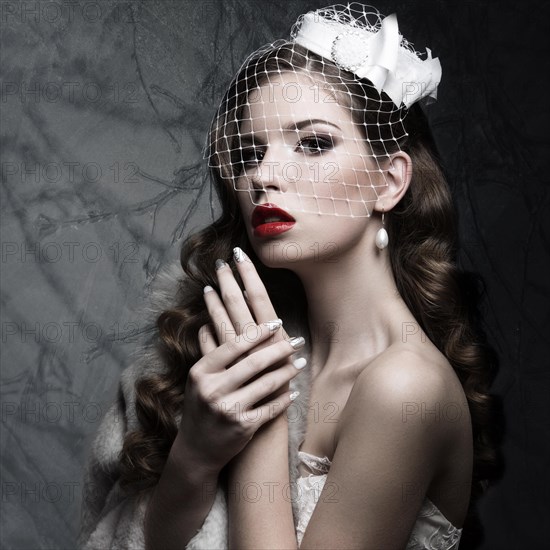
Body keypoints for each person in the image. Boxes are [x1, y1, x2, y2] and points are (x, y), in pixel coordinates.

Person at [79, 4, 499, 549]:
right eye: (251, 153)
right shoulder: (230, 343)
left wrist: (265, 420)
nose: (265, 176)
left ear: (390, 182)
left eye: (314, 143)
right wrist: (195, 456)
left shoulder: (404, 387)